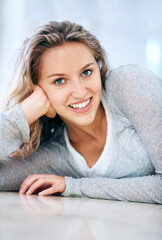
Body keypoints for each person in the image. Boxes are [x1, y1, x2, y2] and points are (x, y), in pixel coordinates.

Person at [0, 21, 161, 204]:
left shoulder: (129, 85)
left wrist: (75, 187)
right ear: (39, 92)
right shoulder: (54, 157)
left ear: (98, 68)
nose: (80, 92)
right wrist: (23, 114)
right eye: (59, 81)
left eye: (86, 72)